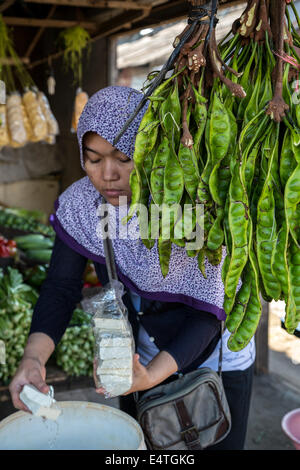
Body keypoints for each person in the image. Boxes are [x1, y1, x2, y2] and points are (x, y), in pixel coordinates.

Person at [9, 86, 255, 450]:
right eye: (93, 159)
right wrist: (33, 359)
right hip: (137, 361)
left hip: (214, 360)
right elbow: (60, 290)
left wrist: (151, 376)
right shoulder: (81, 207)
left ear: (149, 145)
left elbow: (207, 314)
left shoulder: (188, 203)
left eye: (123, 157)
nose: (107, 174)